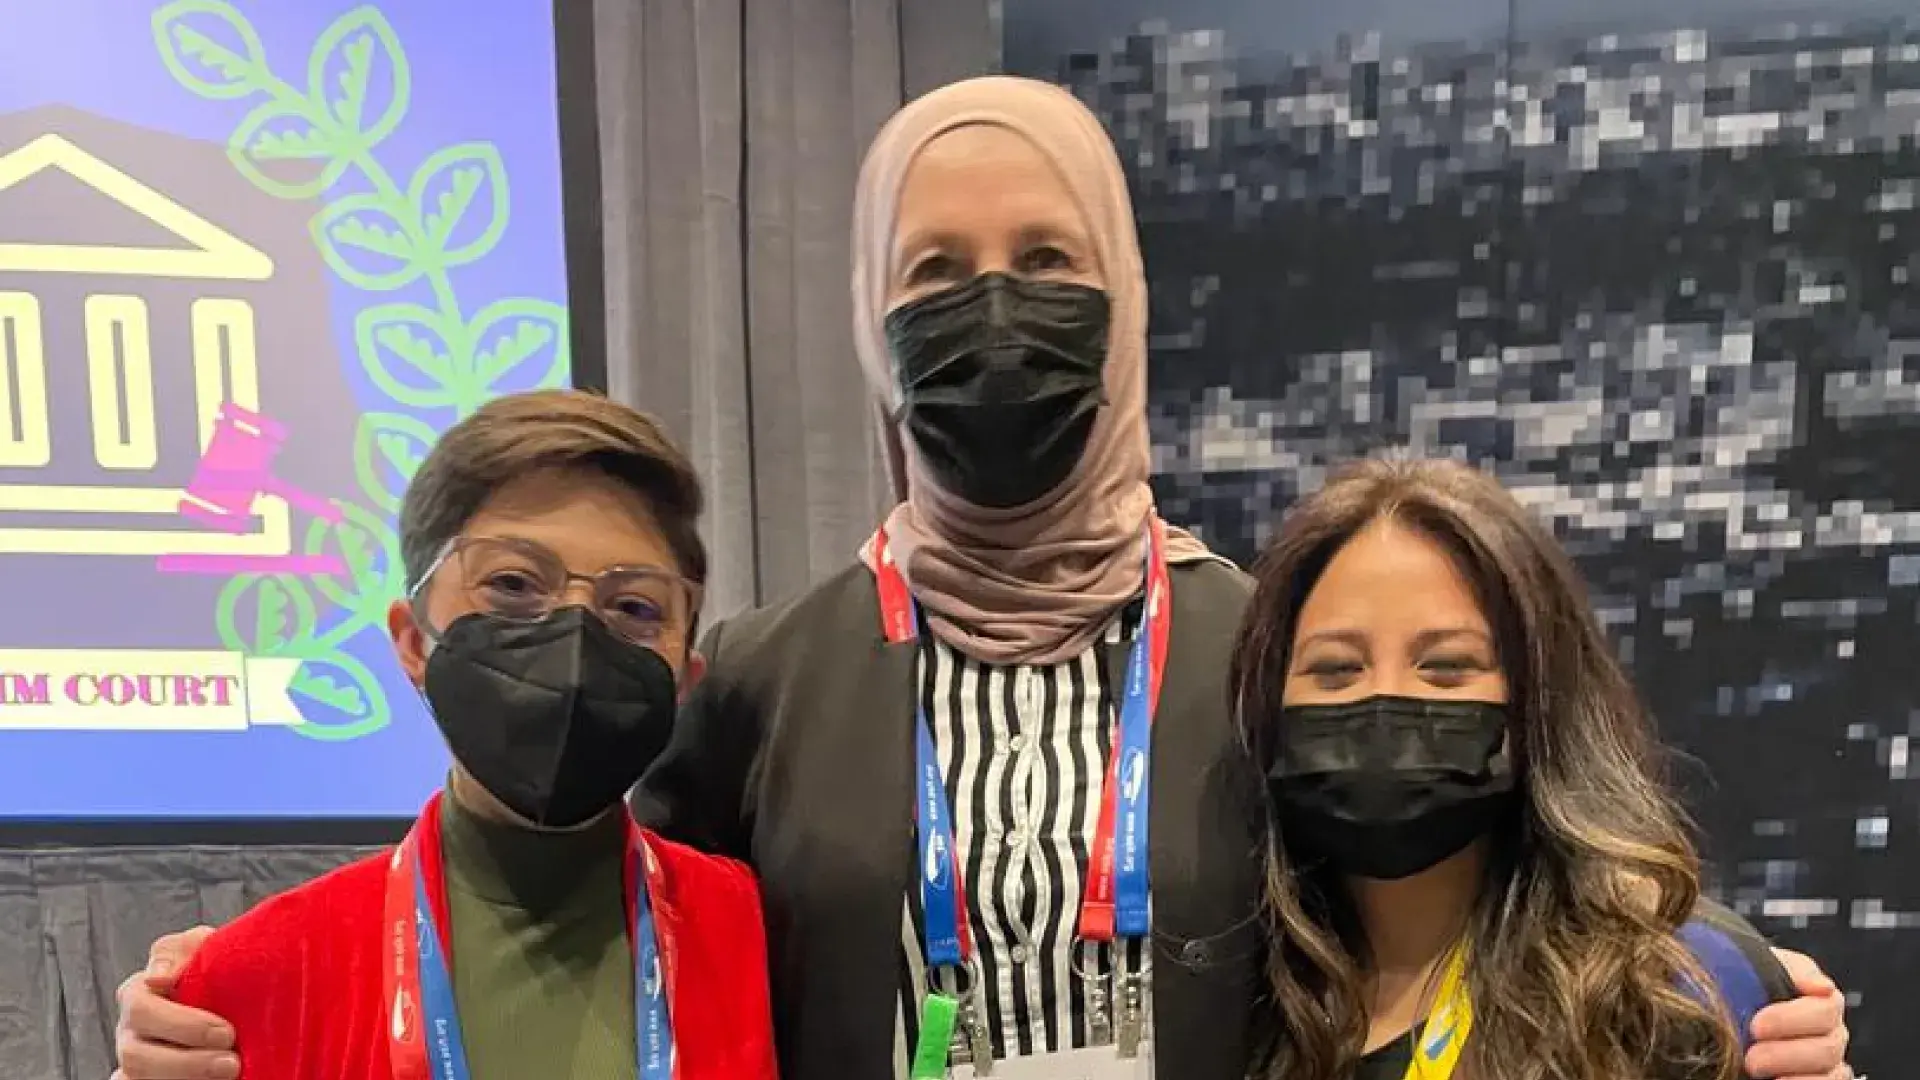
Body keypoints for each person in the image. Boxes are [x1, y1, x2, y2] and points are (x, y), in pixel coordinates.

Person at [112, 77, 1851, 1080]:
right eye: (934, 270)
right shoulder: (766, 678)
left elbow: (1478, 884)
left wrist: (1731, 989)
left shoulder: (1267, 650)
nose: (991, 308)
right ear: (871, 319)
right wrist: (243, 1000)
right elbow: (559, 901)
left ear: (1128, 298)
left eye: (1046, 260)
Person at [130, 390, 776, 1080]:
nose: (576, 638)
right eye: (513, 583)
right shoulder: (257, 977)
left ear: (684, 678)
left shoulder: (752, 932)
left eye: (635, 607)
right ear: (413, 642)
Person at [1230, 455, 1819, 1080]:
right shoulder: (1228, 1003)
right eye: (1336, 670)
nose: (1386, 701)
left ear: (1540, 698)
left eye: (1448, 667)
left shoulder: (1673, 993)